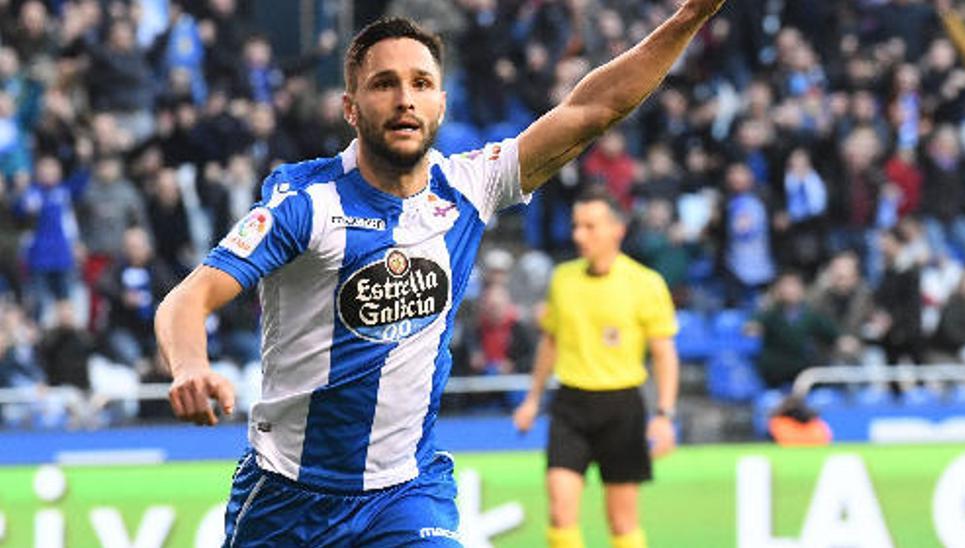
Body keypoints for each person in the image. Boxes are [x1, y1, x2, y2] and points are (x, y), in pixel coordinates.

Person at [154, 2, 726, 545]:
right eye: (384, 84)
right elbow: (187, 299)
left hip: (406, 492)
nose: (405, 99)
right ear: (351, 108)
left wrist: (691, 15)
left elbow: (590, 111)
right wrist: (190, 367)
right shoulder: (307, 207)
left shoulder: (468, 189)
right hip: (289, 495)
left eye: (421, 84)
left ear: (442, 105)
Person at [512, 189, 680, 548]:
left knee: (622, 522)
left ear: (616, 230)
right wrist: (532, 399)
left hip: (622, 407)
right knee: (560, 511)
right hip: (570, 404)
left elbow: (664, 353)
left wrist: (664, 414)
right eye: (576, 226)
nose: (579, 235)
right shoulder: (563, 279)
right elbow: (550, 342)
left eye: (590, 226)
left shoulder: (645, 283)